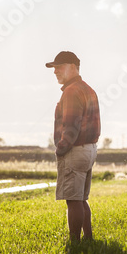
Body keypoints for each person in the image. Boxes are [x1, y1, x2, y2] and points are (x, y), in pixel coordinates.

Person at [45, 51, 101, 241]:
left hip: (75, 150)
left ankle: (75, 242)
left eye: (59, 67)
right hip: (89, 149)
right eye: (54, 68)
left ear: (73, 67)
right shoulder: (88, 89)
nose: (55, 72)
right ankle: (88, 238)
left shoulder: (71, 91)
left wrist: (60, 148)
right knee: (81, 198)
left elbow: (70, 125)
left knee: (73, 200)